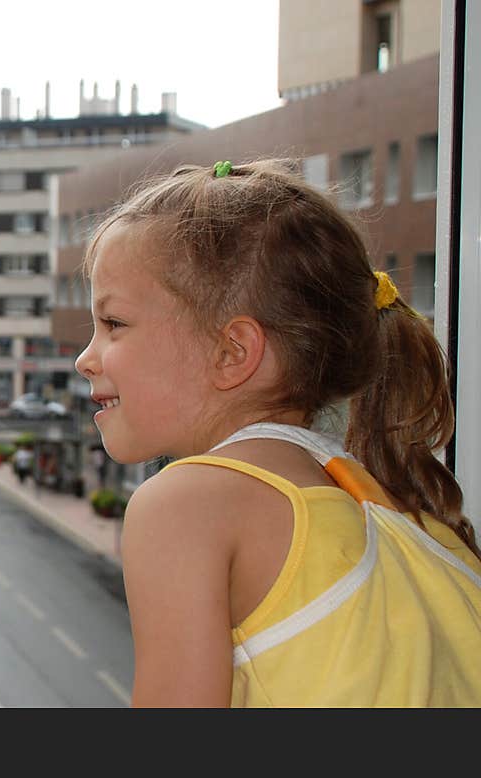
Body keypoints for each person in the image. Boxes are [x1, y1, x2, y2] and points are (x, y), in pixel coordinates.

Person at [74, 159, 481, 708]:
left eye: (114, 324)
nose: (85, 358)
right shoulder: (410, 521)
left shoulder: (185, 505)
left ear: (232, 352)